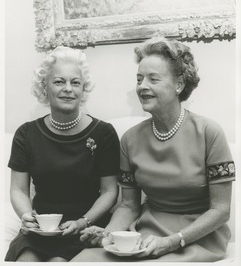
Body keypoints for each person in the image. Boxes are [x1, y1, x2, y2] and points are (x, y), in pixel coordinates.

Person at [71, 37, 235, 262]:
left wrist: (172, 241)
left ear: (179, 84)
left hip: (197, 237)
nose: (142, 86)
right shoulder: (130, 139)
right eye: (139, 79)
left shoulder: (209, 133)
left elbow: (221, 210)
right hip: (146, 233)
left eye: (153, 79)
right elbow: (128, 205)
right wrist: (107, 233)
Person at [5, 46, 120, 262]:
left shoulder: (103, 133)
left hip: (86, 229)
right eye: (59, 81)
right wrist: (26, 217)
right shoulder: (26, 133)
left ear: (83, 89)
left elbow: (109, 191)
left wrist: (82, 222)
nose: (68, 88)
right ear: (44, 87)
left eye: (75, 82)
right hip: (41, 230)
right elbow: (19, 189)